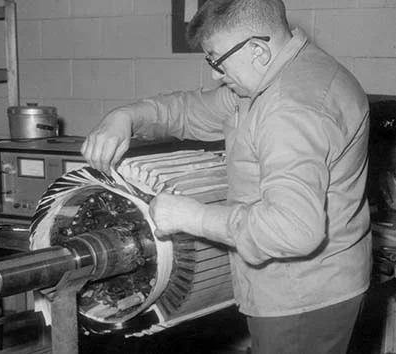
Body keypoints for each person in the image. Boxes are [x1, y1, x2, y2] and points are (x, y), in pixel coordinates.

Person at [81, 0, 372, 353]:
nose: (216, 74)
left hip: (301, 297)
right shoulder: (290, 72)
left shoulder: (289, 108)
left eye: (218, 60)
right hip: (321, 284)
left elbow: (293, 230)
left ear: (257, 50)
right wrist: (124, 117)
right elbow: (190, 109)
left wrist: (192, 216)